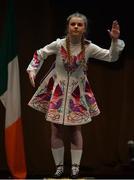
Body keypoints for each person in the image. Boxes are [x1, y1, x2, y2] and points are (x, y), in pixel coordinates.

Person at [26, 12, 125, 178]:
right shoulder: (59, 44)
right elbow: (40, 53)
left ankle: (75, 168)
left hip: (76, 93)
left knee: (75, 129)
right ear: (68, 27)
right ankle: (58, 168)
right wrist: (32, 70)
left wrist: (114, 41)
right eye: (73, 24)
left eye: (80, 24)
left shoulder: (89, 47)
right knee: (56, 129)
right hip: (57, 90)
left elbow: (111, 57)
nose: (76, 27)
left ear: (84, 28)